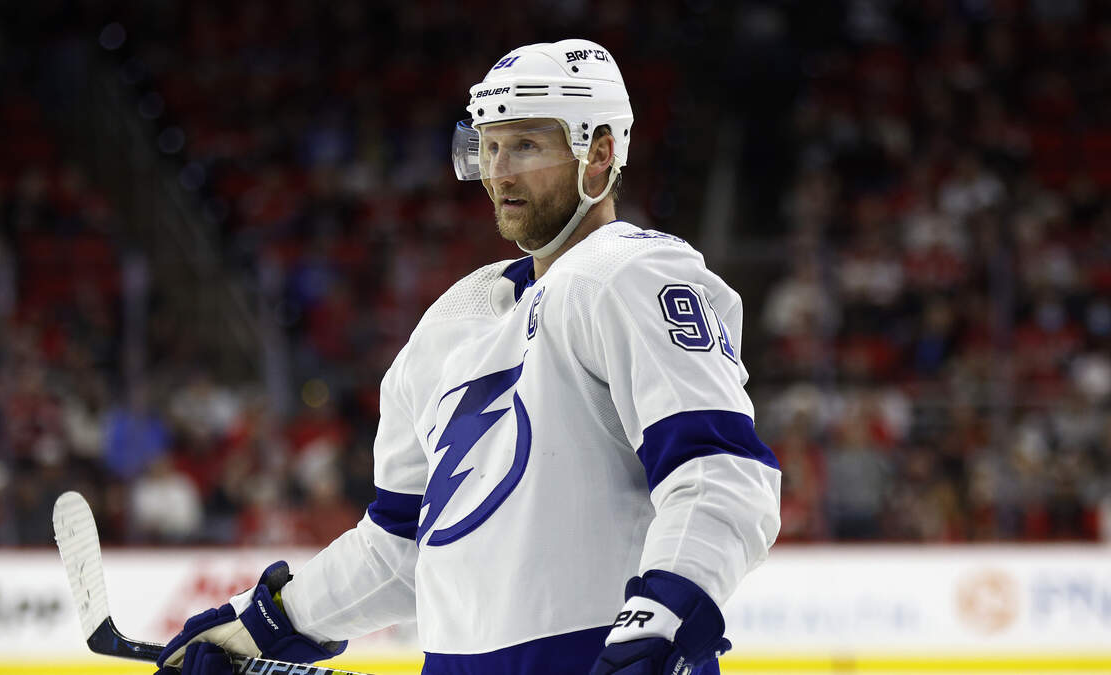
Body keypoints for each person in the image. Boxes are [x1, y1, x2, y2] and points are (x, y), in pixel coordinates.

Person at [154, 38, 781, 675]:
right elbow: (398, 547)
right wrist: (269, 622)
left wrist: (663, 621)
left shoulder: (629, 274)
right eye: (489, 146)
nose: (499, 173)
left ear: (599, 152)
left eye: (526, 145)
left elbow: (719, 473)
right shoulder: (452, 322)